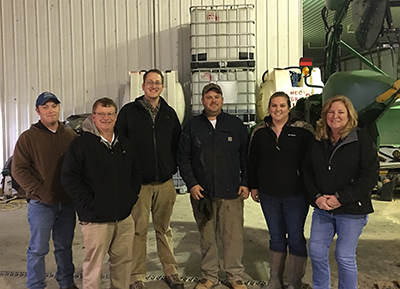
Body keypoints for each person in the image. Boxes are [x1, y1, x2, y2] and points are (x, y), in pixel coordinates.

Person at [61, 97, 142, 289]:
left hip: (123, 217)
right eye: (101, 114)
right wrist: (89, 204)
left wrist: (130, 199)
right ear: (93, 117)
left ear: (116, 117)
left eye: (110, 114)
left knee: (122, 263)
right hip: (95, 219)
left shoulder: (125, 145)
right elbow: (69, 178)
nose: (106, 118)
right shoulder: (80, 145)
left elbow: (136, 173)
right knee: (94, 265)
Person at [177, 83, 250, 289]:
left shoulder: (235, 125)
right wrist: (191, 184)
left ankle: (234, 276)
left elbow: (246, 156)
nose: (213, 101)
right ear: (203, 101)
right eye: (209, 97)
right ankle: (209, 275)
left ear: (222, 100)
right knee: (207, 236)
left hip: (231, 191)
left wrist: (245, 182)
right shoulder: (192, 127)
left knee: (233, 237)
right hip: (203, 193)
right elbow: (183, 158)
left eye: (217, 97)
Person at [302, 95, 379, 289]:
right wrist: (317, 198)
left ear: (349, 115)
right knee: (317, 253)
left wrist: (340, 199)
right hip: (323, 208)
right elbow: (307, 172)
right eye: (331, 111)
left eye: (340, 112)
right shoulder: (318, 140)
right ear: (325, 115)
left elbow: (369, 176)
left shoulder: (361, 139)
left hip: (352, 209)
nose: (335, 116)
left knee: (344, 256)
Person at [116, 69, 183, 289]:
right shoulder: (128, 112)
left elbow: (176, 144)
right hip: (140, 185)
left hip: (164, 182)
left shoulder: (169, 113)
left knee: (164, 229)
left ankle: (171, 271)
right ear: (143, 86)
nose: (154, 86)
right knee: (138, 230)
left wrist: (171, 168)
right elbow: (120, 145)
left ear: (162, 87)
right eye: (150, 82)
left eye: (157, 83)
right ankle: (137, 275)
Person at [11, 91, 78, 289]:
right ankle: (35, 284)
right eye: (45, 107)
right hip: (41, 204)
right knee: (38, 249)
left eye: (54, 106)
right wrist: (39, 191)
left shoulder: (71, 136)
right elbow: (18, 170)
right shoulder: (28, 138)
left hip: (66, 204)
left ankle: (66, 282)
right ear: (37, 111)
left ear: (59, 108)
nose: (51, 110)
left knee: (64, 247)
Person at [247, 92, 314, 289]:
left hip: (296, 194)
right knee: (276, 237)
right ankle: (275, 280)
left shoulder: (303, 130)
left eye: (282, 106)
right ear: (268, 108)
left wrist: (312, 189)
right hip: (269, 195)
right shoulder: (259, 131)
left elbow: (312, 162)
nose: (278, 110)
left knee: (295, 236)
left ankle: (295, 282)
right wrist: (253, 186)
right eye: (274, 106)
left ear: (289, 107)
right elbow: (252, 161)